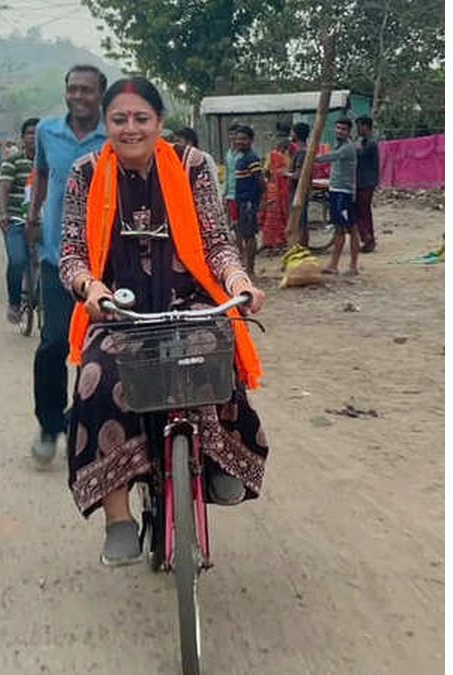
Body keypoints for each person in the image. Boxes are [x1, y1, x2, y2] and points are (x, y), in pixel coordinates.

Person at [58, 77, 270, 565]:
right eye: (119, 119)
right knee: (96, 377)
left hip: (186, 299)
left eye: (141, 118)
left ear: (159, 123)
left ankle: (216, 460)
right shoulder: (84, 173)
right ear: (106, 124)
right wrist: (91, 288)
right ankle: (118, 518)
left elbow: (216, 241)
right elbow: (72, 253)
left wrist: (238, 280)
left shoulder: (193, 166)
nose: (130, 128)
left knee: (212, 357)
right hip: (119, 307)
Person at [25, 64, 109, 465]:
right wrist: (33, 216)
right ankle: (49, 423)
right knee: (54, 343)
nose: (78, 96)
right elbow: (41, 173)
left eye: (86, 90)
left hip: (106, 262)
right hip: (57, 257)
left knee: (102, 349)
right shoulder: (47, 131)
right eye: (73, 89)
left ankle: (83, 420)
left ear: (101, 94)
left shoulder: (114, 135)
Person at [0, 118, 39, 324]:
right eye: (30, 133)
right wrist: (4, 214)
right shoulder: (13, 161)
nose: (34, 137)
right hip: (16, 220)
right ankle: (14, 302)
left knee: (50, 263)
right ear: (23, 138)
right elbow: (3, 189)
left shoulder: (51, 161)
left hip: (43, 222)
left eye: (38, 133)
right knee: (17, 261)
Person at [315, 118, 360, 275]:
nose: (339, 131)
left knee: (350, 228)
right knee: (341, 229)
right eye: (338, 128)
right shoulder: (339, 145)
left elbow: (330, 157)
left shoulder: (347, 148)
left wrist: (311, 156)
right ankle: (334, 265)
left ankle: (352, 266)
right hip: (337, 190)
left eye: (343, 129)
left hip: (344, 193)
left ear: (349, 132)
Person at [233, 125, 264, 277]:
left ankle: (250, 270)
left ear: (251, 141)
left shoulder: (251, 158)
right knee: (244, 234)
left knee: (249, 235)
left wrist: (261, 200)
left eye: (244, 139)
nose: (240, 142)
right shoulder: (242, 158)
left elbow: (260, 180)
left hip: (248, 201)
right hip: (242, 201)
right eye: (238, 139)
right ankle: (248, 267)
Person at [259, 123, 292, 249]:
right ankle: (276, 242)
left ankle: (278, 241)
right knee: (276, 216)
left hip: (281, 188)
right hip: (279, 189)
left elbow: (266, 171)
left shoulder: (280, 153)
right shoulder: (278, 153)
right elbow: (266, 171)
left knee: (280, 216)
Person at [354, 115, 380, 252]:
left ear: (365, 127)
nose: (357, 129)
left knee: (362, 211)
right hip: (362, 181)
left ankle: (368, 238)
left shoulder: (370, 143)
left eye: (359, 126)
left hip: (366, 182)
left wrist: (354, 145)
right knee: (363, 211)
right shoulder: (364, 141)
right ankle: (367, 237)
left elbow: (360, 154)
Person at [285, 122, 312, 246]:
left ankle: (302, 247)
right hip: (301, 191)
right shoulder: (304, 150)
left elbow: (298, 174)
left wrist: (285, 173)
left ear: (296, 134)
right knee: (301, 221)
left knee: (299, 222)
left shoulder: (301, 152)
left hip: (298, 191)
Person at [174, 127, 220, 196]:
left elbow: (213, 180)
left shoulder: (205, 158)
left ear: (189, 142)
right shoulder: (176, 160)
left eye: (178, 141)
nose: (175, 145)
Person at [222, 124, 243, 233]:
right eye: (231, 134)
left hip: (240, 194)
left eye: (235, 134)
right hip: (230, 194)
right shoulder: (228, 153)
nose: (233, 137)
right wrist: (224, 193)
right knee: (231, 224)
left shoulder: (243, 154)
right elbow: (227, 174)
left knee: (238, 225)